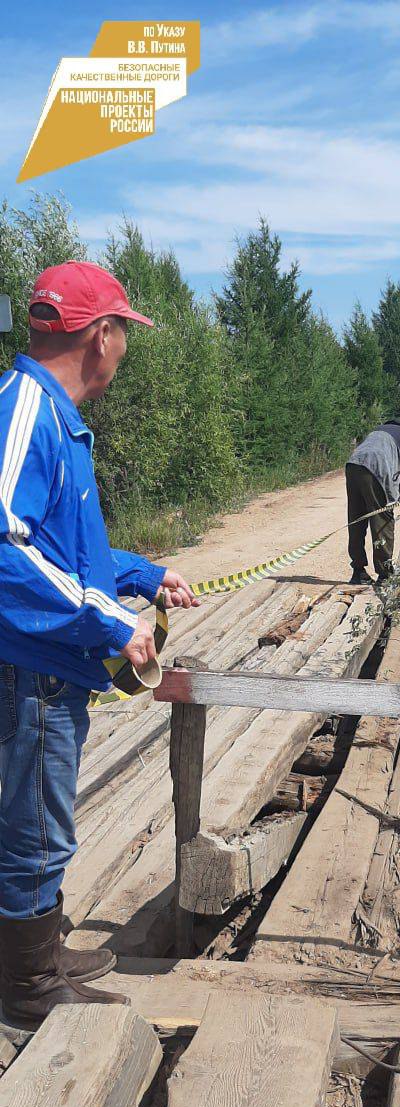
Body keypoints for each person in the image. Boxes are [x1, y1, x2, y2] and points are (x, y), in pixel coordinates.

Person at [0, 260, 199, 1028]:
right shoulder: (25, 409)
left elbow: (68, 554)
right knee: (33, 834)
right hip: (30, 676)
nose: (123, 349)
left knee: (41, 825)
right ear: (102, 336)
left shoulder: (55, 418)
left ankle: (39, 955)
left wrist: (145, 576)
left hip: (50, 674)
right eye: (123, 332)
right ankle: (26, 991)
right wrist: (115, 624)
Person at [345, 418, 400, 584]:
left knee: (357, 519)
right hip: (376, 466)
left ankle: (358, 571)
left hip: (353, 465)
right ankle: (385, 575)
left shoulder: (386, 429)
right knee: (382, 521)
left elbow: (394, 467)